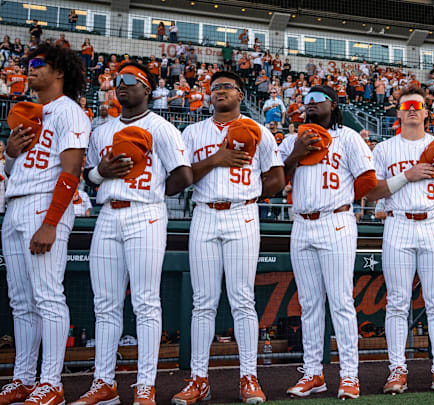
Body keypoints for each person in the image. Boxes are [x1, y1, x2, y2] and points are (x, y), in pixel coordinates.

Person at [74, 62, 192, 405]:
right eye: (117, 81)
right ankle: (103, 383)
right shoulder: (102, 130)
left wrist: (152, 192)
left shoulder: (162, 127)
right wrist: (101, 172)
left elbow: (183, 176)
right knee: (105, 304)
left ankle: (145, 384)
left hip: (145, 213)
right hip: (108, 214)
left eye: (130, 80)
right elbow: (89, 177)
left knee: (145, 302)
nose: (121, 85)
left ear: (148, 89)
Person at [171, 71, 284, 405]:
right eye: (215, 88)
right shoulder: (193, 131)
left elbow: (277, 178)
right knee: (202, 301)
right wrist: (216, 159)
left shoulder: (259, 130)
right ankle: (198, 378)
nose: (220, 92)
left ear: (240, 93)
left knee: (242, 298)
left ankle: (249, 376)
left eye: (226, 87)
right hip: (205, 212)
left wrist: (248, 194)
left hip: (243, 213)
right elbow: (182, 177)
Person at [0, 43, 90, 405]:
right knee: (21, 301)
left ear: (60, 72)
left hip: (44, 205)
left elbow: (71, 171)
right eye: (29, 64)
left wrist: (51, 223)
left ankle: (50, 382)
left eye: (39, 64)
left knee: (47, 296)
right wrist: (10, 152)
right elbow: (11, 170)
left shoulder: (70, 112)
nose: (31, 69)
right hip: (15, 203)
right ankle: (23, 378)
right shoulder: (30, 112)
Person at [366, 86, 434, 395]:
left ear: (426, 113)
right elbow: (371, 192)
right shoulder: (384, 149)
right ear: (398, 113)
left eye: (417, 106)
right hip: (398, 225)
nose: (411, 109)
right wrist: (406, 177)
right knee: (397, 302)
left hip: (433, 226)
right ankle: (397, 369)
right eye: (406, 105)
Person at [279, 86, 376, 399]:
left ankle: (349, 375)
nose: (308, 104)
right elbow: (277, 179)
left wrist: (341, 202)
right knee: (308, 304)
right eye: (305, 100)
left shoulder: (348, 137)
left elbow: (366, 181)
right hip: (302, 223)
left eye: (315, 100)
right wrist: (297, 152)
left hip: (336, 220)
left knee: (341, 301)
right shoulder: (293, 139)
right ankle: (313, 373)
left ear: (333, 105)